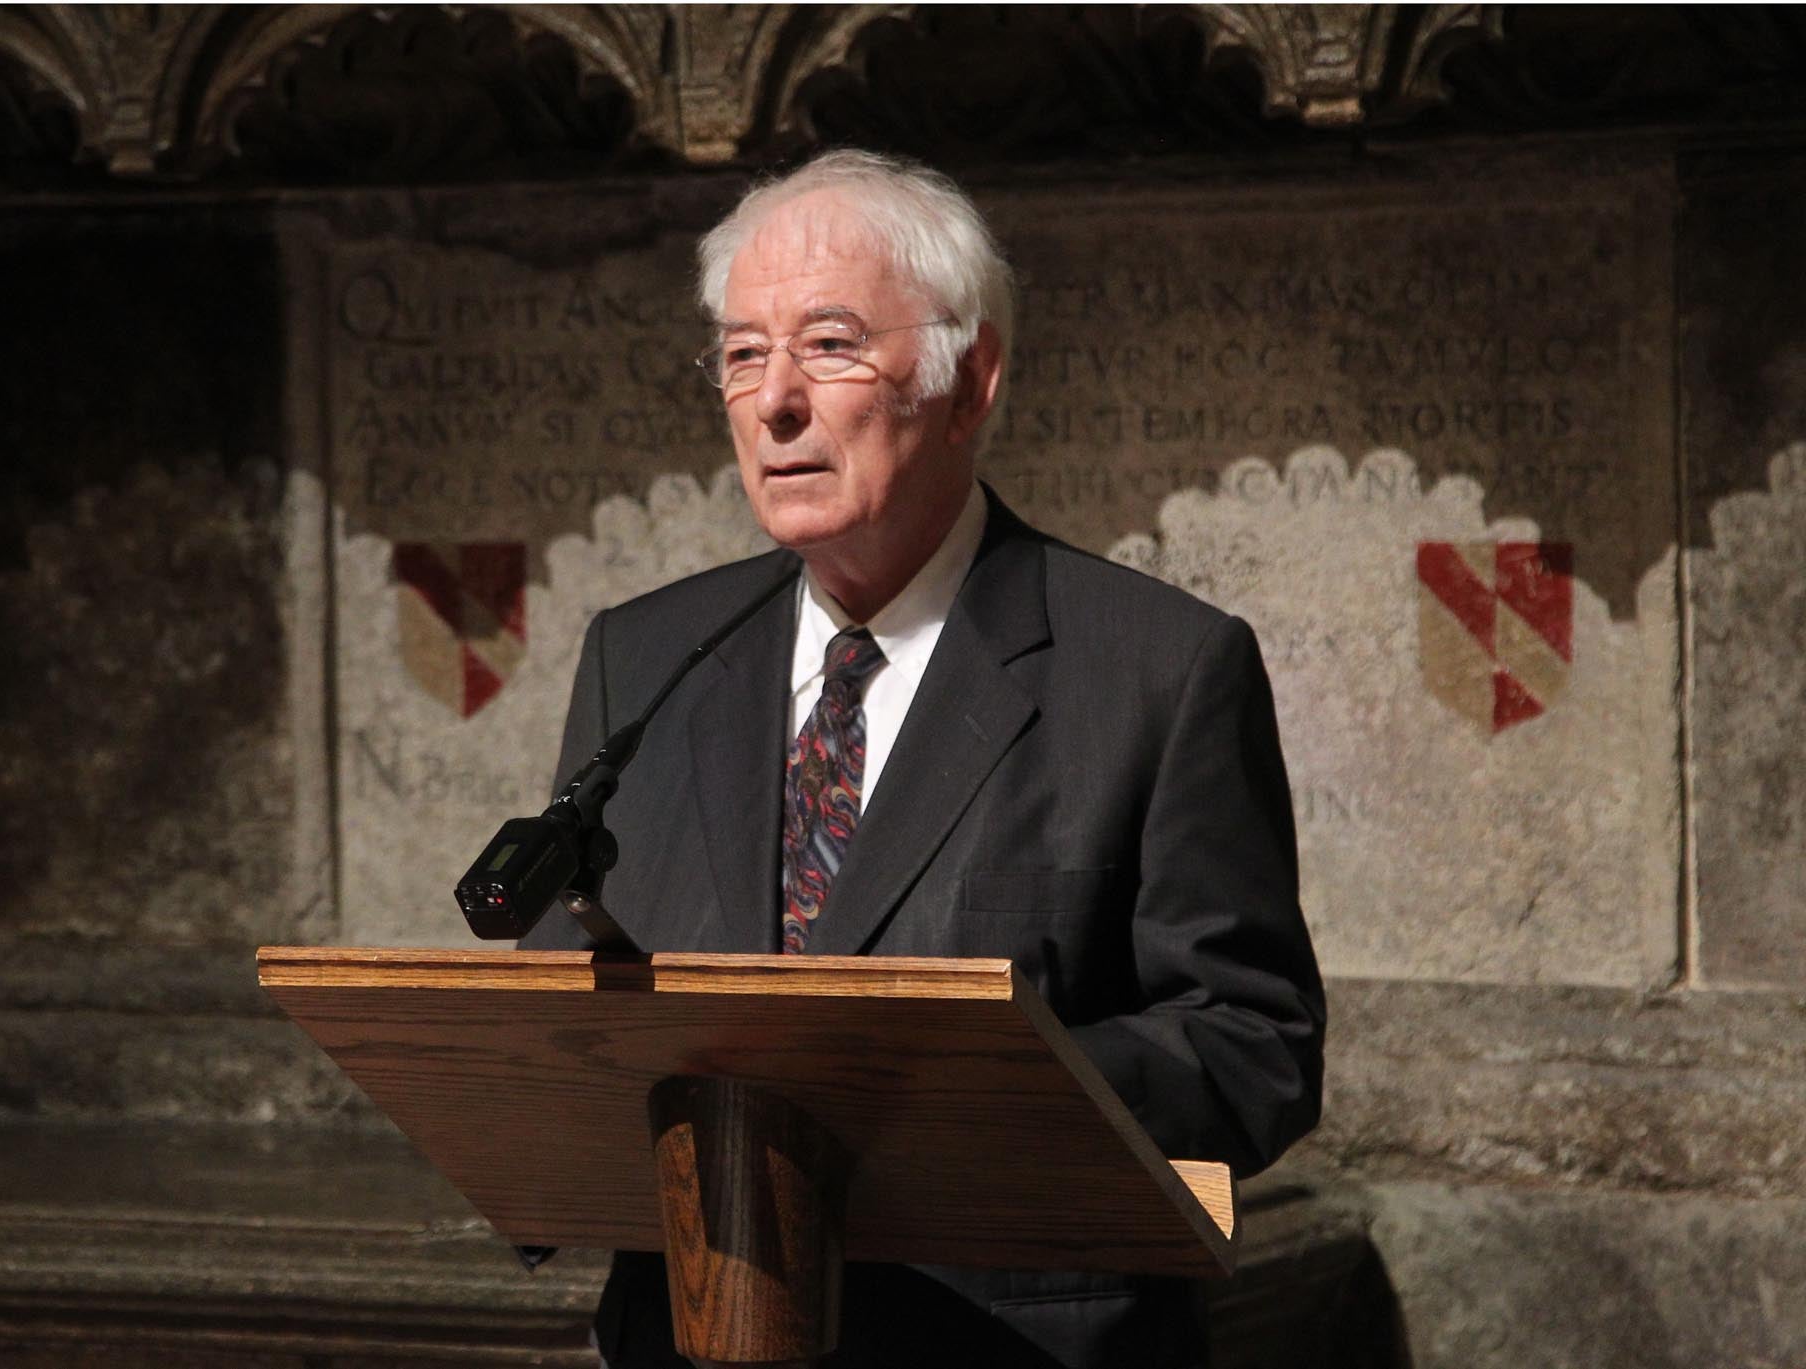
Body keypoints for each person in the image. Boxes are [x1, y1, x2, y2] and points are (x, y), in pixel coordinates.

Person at [521, 150, 1325, 1369]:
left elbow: (1252, 1048)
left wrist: (969, 1084)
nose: (774, 401)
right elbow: (556, 1000)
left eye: (828, 345)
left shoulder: (1157, 669)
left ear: (971, 378)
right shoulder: (646, 658)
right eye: (742, 355)